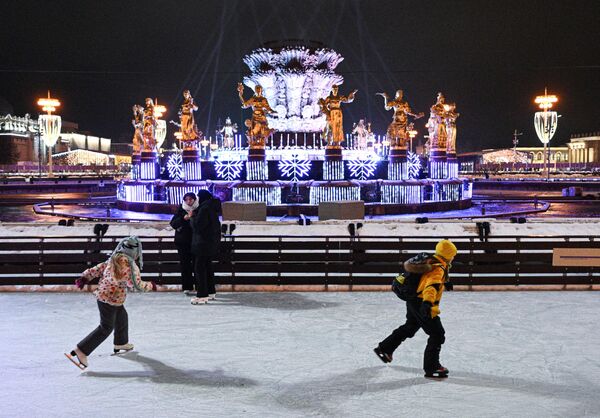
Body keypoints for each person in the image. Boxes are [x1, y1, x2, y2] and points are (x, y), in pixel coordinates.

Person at [65, 236, 157, 370]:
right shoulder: (130, 266)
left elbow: (98, 268)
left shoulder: (113, 259)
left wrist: (85, 277)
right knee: (105, 328)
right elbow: (136, 285)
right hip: (110, 299)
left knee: (122, 317)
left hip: (107, 297)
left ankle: (121, 343)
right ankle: (81, 350)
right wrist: (150, 285)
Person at [374, 239, 457, 378]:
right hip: (422, 303)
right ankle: (432, 367)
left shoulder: (432, 261)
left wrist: (445, 283)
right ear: (448, 255)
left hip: (413, 300)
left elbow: (428, 279)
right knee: (437, 334)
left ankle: (385, 349)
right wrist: (427, 303)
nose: (454, 257)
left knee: (410, 326)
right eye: (453, 255)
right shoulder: (439, 268)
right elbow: (431, 286)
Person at [189, 190, 222, 305]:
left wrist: (192, 217)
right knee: (207, 267)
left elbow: (198, 226)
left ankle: (202, 295)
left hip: (202, 244)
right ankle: (211, 291)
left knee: (199, 269)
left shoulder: (204, 209)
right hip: (210, 244)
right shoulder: (212, 208)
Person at [170, 192, 198, 295]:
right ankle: (187, 286)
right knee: (185, 265)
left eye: (191, 199)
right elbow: (173, 223)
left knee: (197, 265)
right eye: (186, 199)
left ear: (195, 200)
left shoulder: (199, 209)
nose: (188, 201)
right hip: (182, 242)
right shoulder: (181, 209)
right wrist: (184, 218)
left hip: (196, 241)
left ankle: (199, 285)